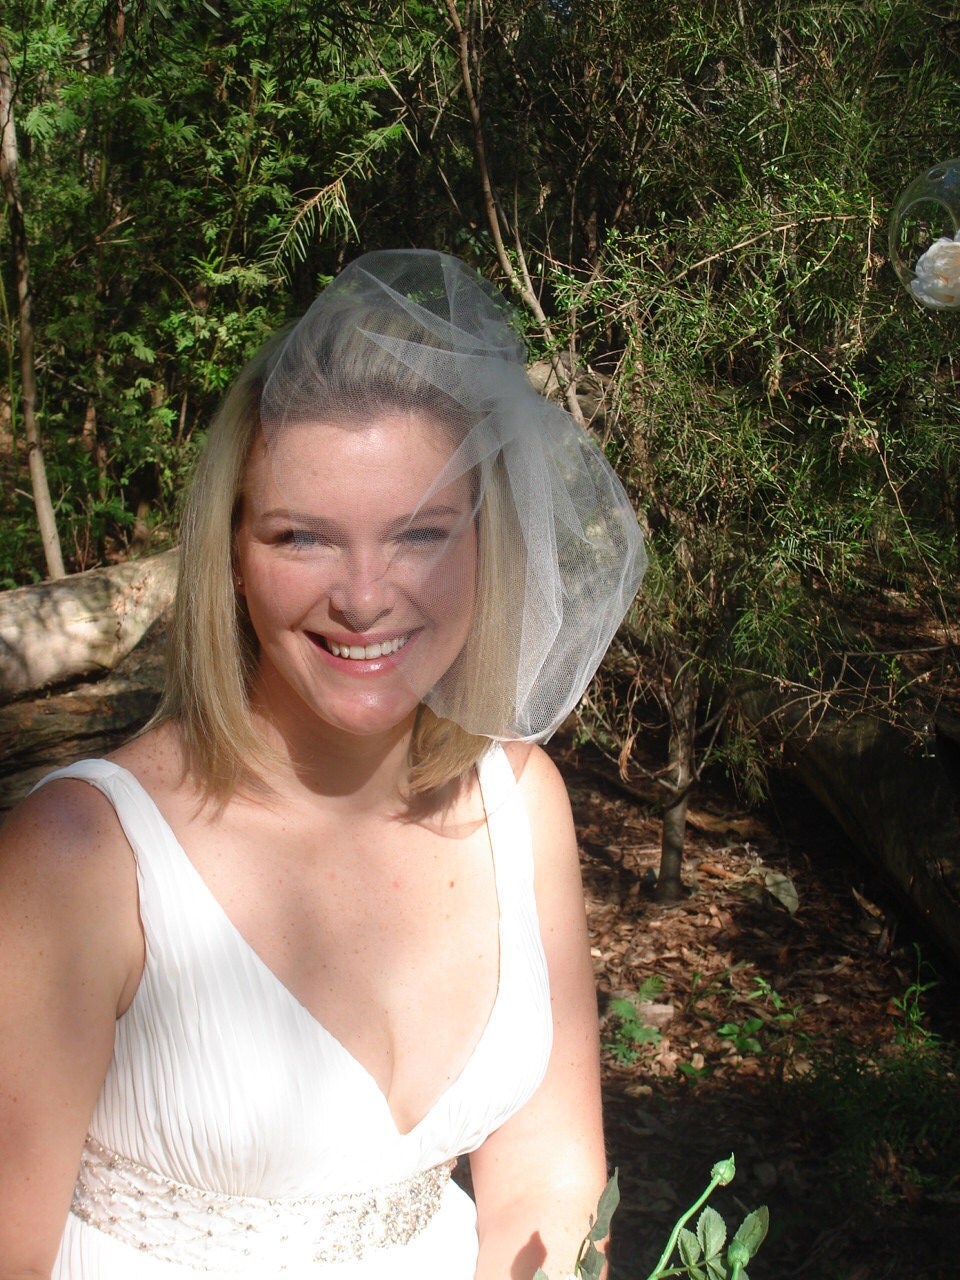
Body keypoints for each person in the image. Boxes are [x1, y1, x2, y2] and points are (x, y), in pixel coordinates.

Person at [0, 250, 646, 1280]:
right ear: (231, 553)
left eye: (419, 534)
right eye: (302, 536)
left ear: (487, 543)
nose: (363, 594)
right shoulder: (80, 855)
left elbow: (547, 1181)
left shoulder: (520, 800)